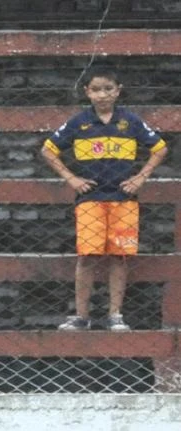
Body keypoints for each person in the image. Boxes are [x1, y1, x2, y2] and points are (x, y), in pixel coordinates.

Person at [41, 65, 168, 332]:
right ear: (87, 92)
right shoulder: (79, 122)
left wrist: (141, 177)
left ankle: (115, 315)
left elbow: (159, 148)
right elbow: (48, 151)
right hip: (90, 199)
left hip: (124, 199)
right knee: (87, 256)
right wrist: (71, 178)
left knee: (119, 256)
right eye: (96, 89)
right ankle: (81, 316)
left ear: (118, 91)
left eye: (108, 89)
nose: (102, 95)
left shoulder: (130, 121)